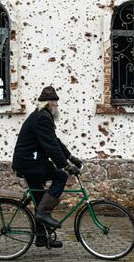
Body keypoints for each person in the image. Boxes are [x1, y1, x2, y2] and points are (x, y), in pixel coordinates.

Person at [11, 86, 83, 248]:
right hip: (30, 163)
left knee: (39, 199)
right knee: (61, 176)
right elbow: (50, 146)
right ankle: (43, 214)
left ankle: (42, 237)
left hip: (29, 162)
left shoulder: (42, 116)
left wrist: (70, 157)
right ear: (50, 104)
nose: (57, 106)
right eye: (56, 103)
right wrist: (66, 166)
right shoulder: (42, 118)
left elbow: (54, 141)